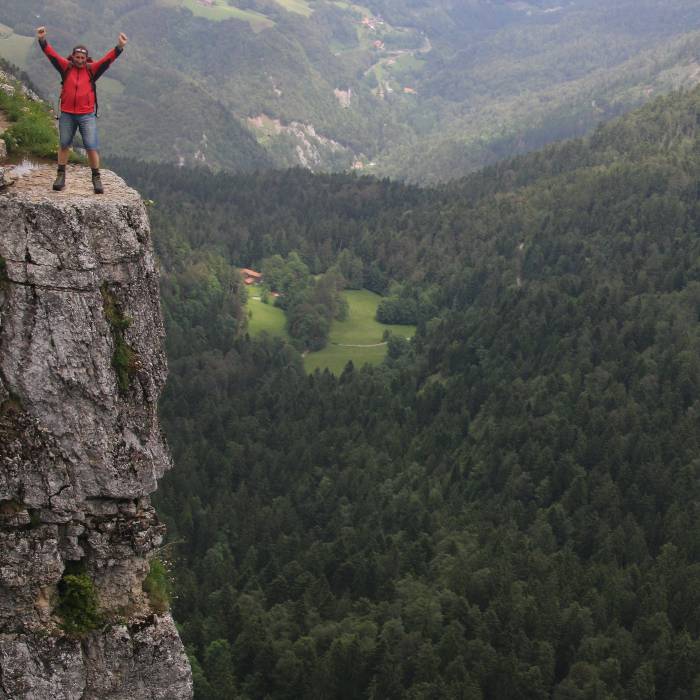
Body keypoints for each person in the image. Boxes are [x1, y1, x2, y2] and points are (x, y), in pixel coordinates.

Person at [36, 26, 127, 194]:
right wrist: (42, 41)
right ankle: (61, 176)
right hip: (67, 114)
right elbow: (52, 56)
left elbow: (107, 60)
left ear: (86, 58)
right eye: (77, 57)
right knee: (64, 144)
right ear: (73, 57)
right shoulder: (66, 67)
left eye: (82, 57)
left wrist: (119, 47)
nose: (79, 60)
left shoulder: (92, 69)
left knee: (91, 146)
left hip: (86, 115)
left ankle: (96, 178)